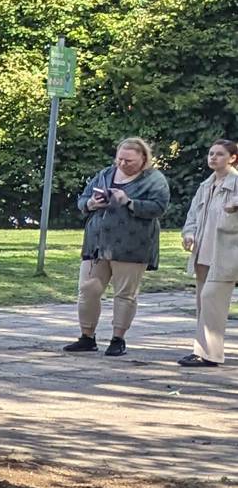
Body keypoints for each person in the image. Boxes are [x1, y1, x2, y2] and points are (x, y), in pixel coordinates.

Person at [62, 137, 171, 356]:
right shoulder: (104, 174)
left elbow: (159, 207)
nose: (122, 164)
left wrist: (129, 202)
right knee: (88, 290)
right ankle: (87, 337)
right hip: (98, 243)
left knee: (125, 294)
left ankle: (117, 339)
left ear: (143, 159)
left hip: (132, 246)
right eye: (120, 159)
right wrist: (91, 204)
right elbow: (83, 199)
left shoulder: (154, 179)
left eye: (128, 161)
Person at [183, 137, 238, 368]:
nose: (213, 157)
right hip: (202, 252)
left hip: (226, 253)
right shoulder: (206, 185)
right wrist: (189, 234)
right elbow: (193, 215)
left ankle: (211, 354)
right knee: (202, 303)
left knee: (211, 300)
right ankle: (201, 350)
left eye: (219, 154)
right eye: (211, 153)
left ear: (232, 158)